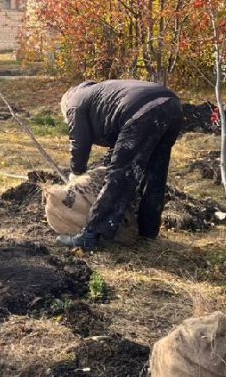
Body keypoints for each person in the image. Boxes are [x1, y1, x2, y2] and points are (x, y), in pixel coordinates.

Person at [56, 79, 183, 251]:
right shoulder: (99, 95)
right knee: (155, 173)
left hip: (142, 111)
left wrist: (76, 173)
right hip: (171, 105)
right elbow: (120, 142)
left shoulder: (74, 104)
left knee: (121, 176)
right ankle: (148, 232)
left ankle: (92, 236)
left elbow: (79, 143)